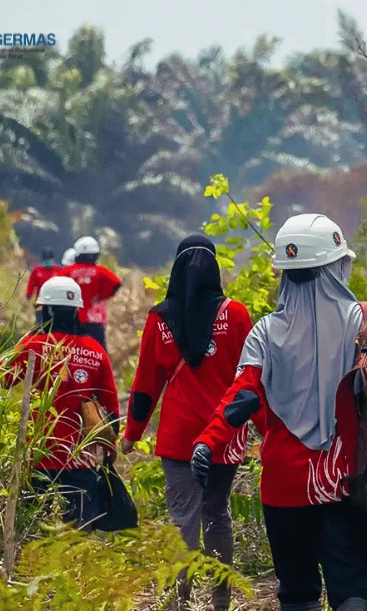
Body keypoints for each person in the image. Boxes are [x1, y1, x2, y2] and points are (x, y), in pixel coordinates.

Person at [191, 214, 367, 611]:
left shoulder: (265, 331)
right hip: (347, 479)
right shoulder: (364, 325)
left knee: (297, 593)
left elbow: (241, 396)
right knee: (351, 590)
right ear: (336, 265)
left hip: (285, 485)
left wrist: (207, 443)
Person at [120, 235, 252, 611]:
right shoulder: (236, 314)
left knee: (183, 520)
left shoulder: (160, 319)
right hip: (223, 435)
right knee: (216, 512)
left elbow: (146, 385)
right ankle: (221, 598)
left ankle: (177, 601)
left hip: (178, 439)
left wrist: (131, 434)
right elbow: (251, 376)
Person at [3, 276, 120, 529]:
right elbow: (111, 405)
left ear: (46, 310)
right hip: (82, 457)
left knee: (33, 526)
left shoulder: (32, 345)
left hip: (38, 454)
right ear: (77, 310)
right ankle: (78, 568)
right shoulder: (95, 350)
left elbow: (2, 379)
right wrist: (110, 446)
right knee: (79, 529)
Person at [62, 236, 122, 351]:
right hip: (95, 320)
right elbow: (116, 283)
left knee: (71, 350)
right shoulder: (101, 271)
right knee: (99, 351)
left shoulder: (68, 271)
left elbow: (56, 282)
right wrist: (102, 296)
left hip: (73, 318)